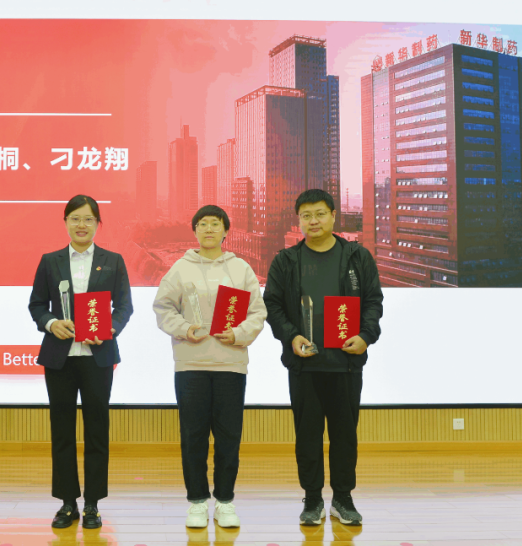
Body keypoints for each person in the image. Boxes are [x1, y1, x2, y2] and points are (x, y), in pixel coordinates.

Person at [262, 189, 383, 527]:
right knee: (308, 435)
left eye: (319, 214)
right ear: (298, 220)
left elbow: (373, 301)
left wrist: (365, 336)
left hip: (346, 363)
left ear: (333, 216)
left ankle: (343, 499)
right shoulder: (286, 260)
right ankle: (313, 499)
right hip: (305, 364)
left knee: (345, 435)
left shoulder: (357, 256)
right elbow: (272, 304)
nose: (313, 221)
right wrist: (291, 336)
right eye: (306, 215)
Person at [152, 205, 267, 529]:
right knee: (193, 435)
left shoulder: (241, 269)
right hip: (191, 363)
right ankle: (197, 502)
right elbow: (163, 307)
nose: (209, 229)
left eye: (215, 224)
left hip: (231, 363)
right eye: (202, 224)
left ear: (226, 231)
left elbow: (257, 312)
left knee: (229, 435)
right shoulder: (180, 268)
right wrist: (184, 328)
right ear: (195, 231)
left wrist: (239, 334)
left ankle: (225, 502)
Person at [28, 195, 134, 529]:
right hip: (59, 358)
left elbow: (124, 306)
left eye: (88, 219)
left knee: (97, 430)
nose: (81, 225)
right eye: (75, 218)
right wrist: (50, 323)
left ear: (98, 223)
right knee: (62, 430)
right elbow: (36, 304)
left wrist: (110, 328)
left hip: (97, 358)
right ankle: (67, 503)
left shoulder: (113, 260)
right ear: (65, 222)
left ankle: (92, 504)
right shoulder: (50, 261)